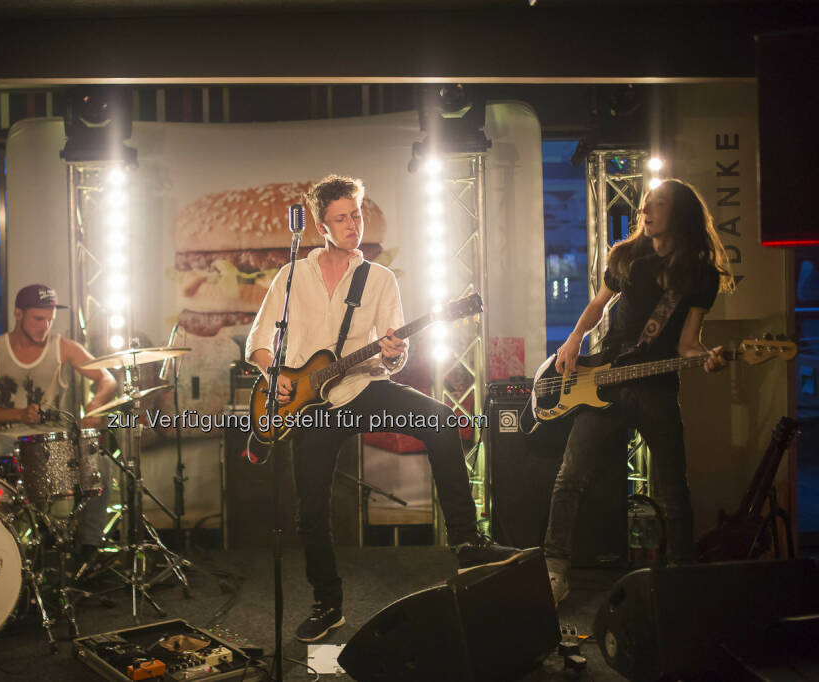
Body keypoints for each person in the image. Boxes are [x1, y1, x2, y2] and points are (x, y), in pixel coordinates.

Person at [246, 175, 519, 644]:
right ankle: (327, 604)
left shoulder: (379, 277)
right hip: (307, 405)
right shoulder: (292, 275)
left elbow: (394, 352)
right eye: (341, 218)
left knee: (439, 421)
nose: (353, 224)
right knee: (310, 511)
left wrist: (393, 352)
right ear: (320, 223)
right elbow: (258, 341)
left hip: (361, 389)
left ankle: (466, 539)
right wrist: (275, 378)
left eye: (356, 214)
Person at [545, 178, 735, 605]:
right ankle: (555, 570)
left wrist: (709, 359)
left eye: (658, 204)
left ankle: (683, 581)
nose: (645, 210)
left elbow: (689, 343)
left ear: (680, 213)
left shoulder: (699, 275)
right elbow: (597, 306)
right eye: (645, 204)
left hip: (656, 388)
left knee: (674, 490)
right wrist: (574, 339)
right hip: (606, 380)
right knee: (570, 477)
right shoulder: (627, 255)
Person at [0, 283, 117, 553]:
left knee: (100, 463)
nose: (45, 327)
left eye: (50, 320)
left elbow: (107, 377)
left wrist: (94, 406)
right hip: (7, 438)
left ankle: (89, 547)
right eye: (38, 319)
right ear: (18, 314)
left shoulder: (63, 347)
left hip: (55, 437)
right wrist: (19, 414)